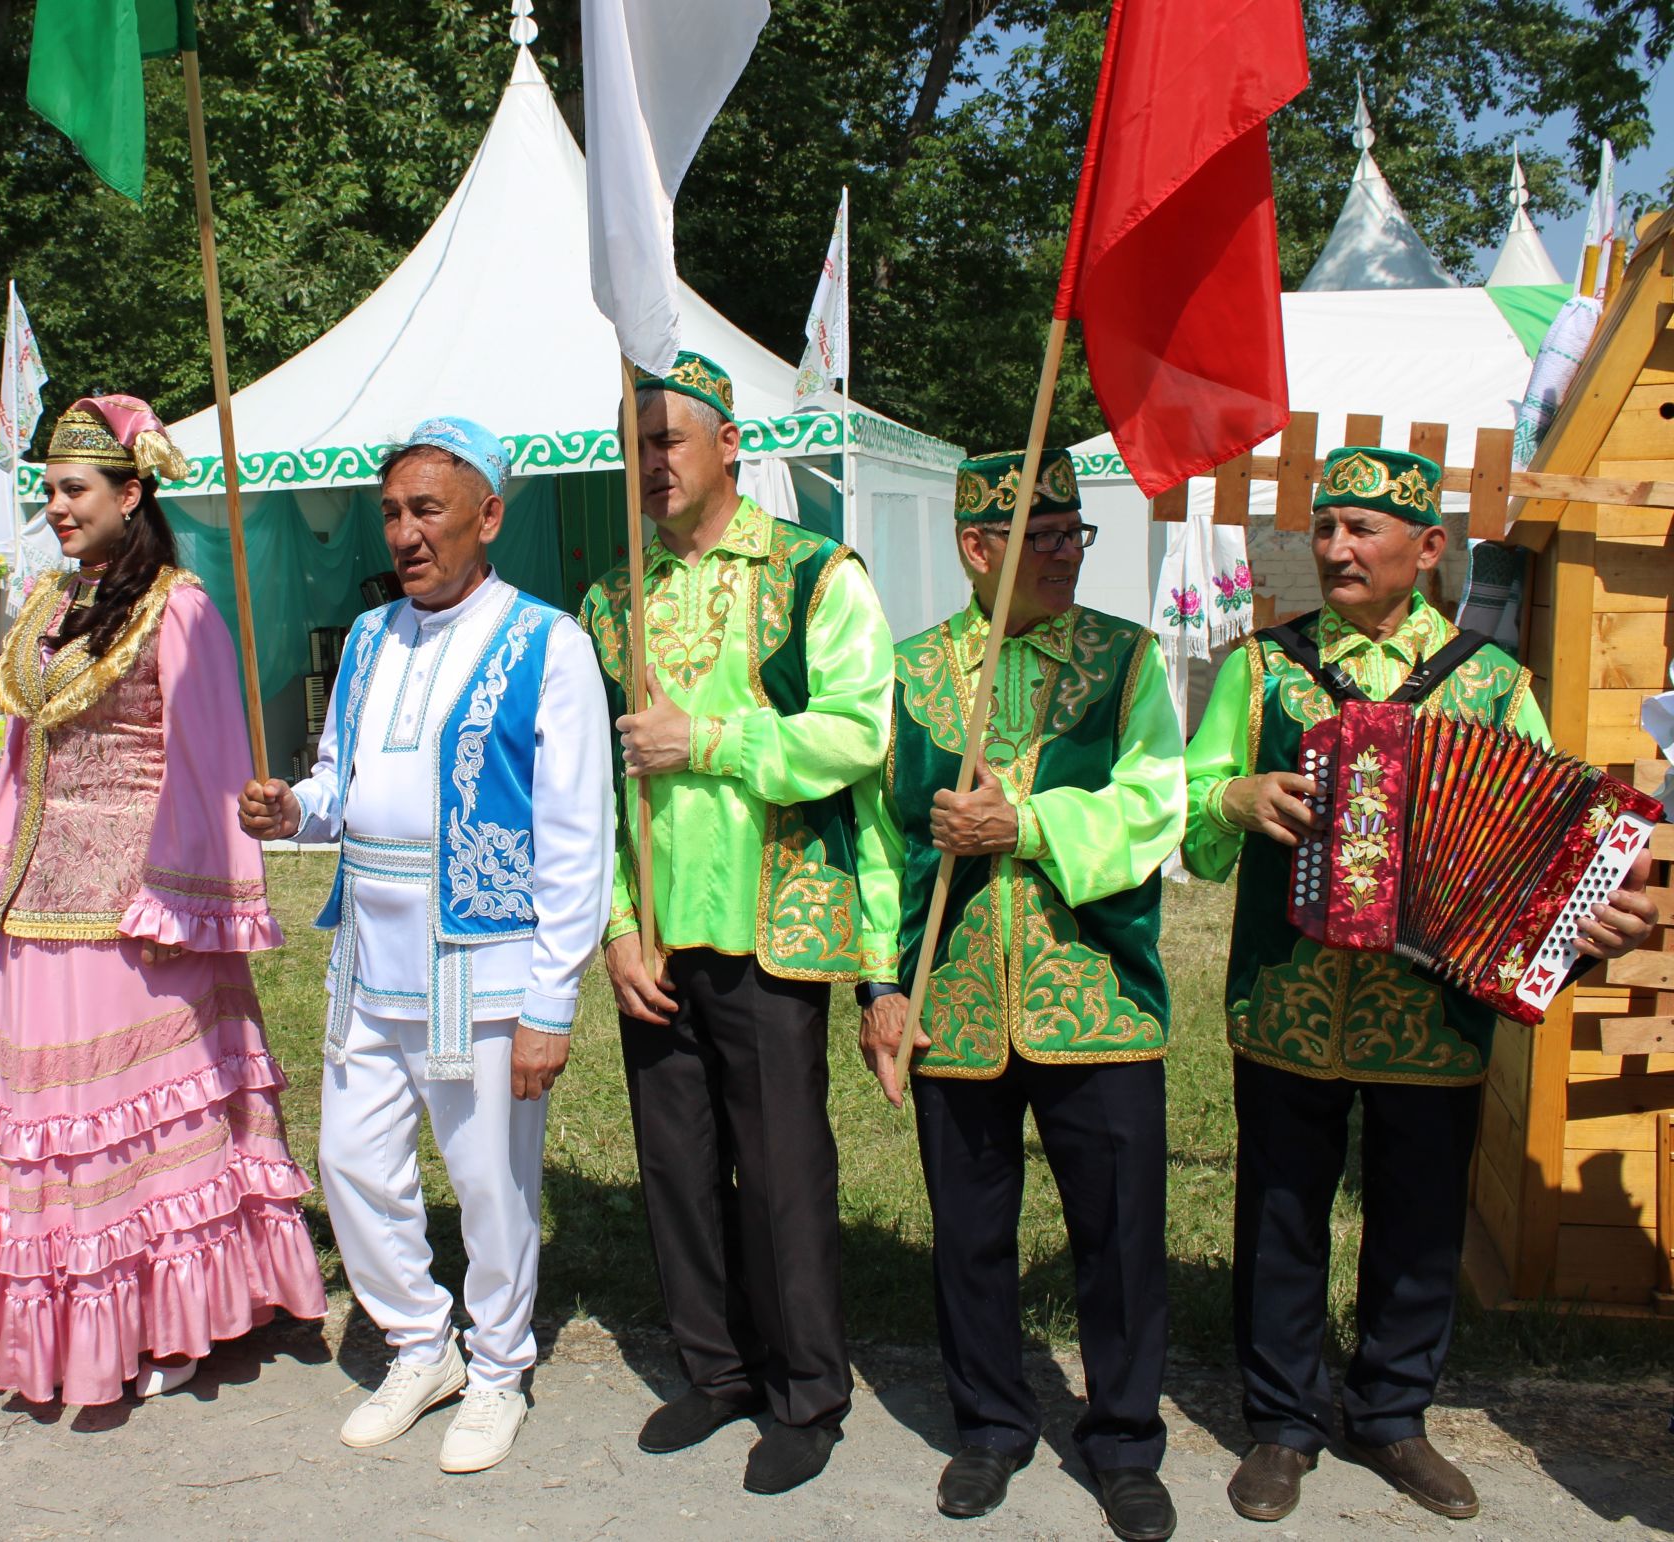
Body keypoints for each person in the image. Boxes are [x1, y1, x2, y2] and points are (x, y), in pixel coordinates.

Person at [1182, 447, 1659, 1524]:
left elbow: (1556, 839)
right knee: (1284, 1211)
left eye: (1363, 530)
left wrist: (1599, 904)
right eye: (1326, 528)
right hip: (1290, 995)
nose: (1338, 549)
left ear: (1429, 549)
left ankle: (1394, 1416)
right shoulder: (1265, 669)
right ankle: (1283, 1422)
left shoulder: (1494, 684)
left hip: (1434, 1006)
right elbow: (1186, 814)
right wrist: (1233, 799)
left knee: (1421, 1218)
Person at [240, 417, 611, 1474]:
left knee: (491, 1181)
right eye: (393, 513)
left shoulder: (549, 644)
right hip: (371, 953)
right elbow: (343, 783)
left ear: (489, 515)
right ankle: (419, 1343)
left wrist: (551, 1003)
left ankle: (499, 1370)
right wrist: (292, 812)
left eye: (428, 511)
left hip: (481, 964)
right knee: (351, 1162)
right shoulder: (368, 638)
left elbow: (579, 836)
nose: (405, 534)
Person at [0, 395, 327, 1407]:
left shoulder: (181, 608)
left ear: (132, 493)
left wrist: (187, 898)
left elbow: (208, 760)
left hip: (135, 908)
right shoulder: (42, 608)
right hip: (39, 907)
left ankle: (166, 1317)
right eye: (51, 494)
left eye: (76, 490)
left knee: (132, 1125)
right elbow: (21, 765)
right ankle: (68, 1311)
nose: (60, 509)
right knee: (53, 1123)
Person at [578, 351, 892, 1495]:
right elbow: (590, 789)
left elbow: (860, 735)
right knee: (675, 1162)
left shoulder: (815, 575)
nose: (650, 462)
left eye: (668, 439)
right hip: (658, 933)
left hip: (773, 921)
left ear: (730, 447)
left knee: (783, 1167)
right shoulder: (610, 599)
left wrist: (708, 741)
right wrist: (616, 927)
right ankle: (712, 1371)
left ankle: (808, 1390)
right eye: (634, 441)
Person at [858, 450, 1185, 1541]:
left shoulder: (1127, 660)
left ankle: (1127, 1441)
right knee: (970, 1233)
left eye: (1073, 534)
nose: (1063, 557)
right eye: (1040, 538)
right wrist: (878, 985)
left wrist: (1029, 823)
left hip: (1097, 994)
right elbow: (878, 842)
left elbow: (1154, 806)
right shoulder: (909, 673)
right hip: (953, 1001)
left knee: (1121, 1233)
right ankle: (991, 1425)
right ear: (975, 548)